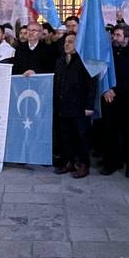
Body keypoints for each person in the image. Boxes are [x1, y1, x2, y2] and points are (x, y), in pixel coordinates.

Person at [98, 23, 129, 178]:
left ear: (127, 38)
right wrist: (106, 89)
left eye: (118, 35)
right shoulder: (108, 54)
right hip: (108, 100)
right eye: (114, 35)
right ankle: (110, 162)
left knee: (127, 134)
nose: (114, 38)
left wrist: (114, 91)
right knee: (108, 132)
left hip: (125, 101)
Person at [53, 32, 97, 177]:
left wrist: (89, 106)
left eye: (71, 42)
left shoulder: (84, 62)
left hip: (79, 107)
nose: (67, 44)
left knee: (81, 137)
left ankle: (83, 164)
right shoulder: (59, 61)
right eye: (66, 41)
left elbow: (91, 85)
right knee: (66, 137)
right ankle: (69, 162)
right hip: (63, 107)